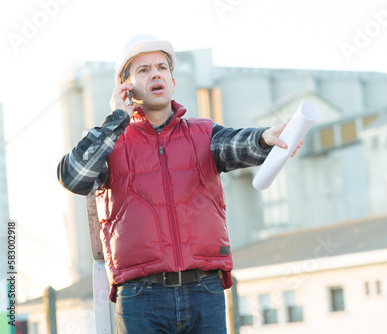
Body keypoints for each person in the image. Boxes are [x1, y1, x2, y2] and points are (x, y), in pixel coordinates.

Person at [57, 34, 300, 333]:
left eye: (161, 67)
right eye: (143, 70)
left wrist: (267, 137)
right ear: (125, 86)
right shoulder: (109, 141)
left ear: (172, 80)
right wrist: (116, 118)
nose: (155, 73)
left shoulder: (204, 133)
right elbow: (74, 177)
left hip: (204, 292)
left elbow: (243, 143)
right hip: (140, 297)